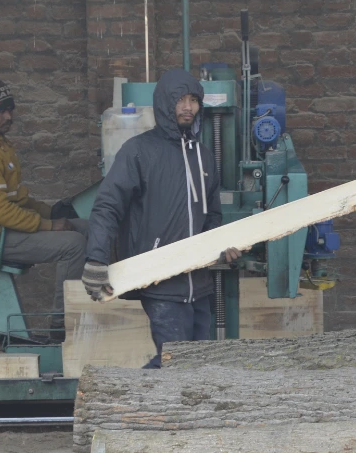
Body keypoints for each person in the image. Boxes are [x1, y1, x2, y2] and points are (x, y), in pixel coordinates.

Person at [81, 68, 239, 367]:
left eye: (194, 100)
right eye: (180, 100)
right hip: (161, 282)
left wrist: (220, 249)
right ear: (165, 103)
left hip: (200, 284)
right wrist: (96, 260)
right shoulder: (139, 151)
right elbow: (107, 206)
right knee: (176, 364)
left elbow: (212, 216)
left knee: (197, 366)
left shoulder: (204, 156)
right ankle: (127, 392)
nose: (188, 107)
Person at [0, 76, 88, 343]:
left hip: (4, 228)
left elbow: (18, 199)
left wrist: (51, 212)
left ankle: (91, 309)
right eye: (0, 111)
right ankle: (61, 327)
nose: (9, 116)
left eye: (10, 109)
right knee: (73, 244)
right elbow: (0, 211)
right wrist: (49, 225)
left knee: (89, 227)